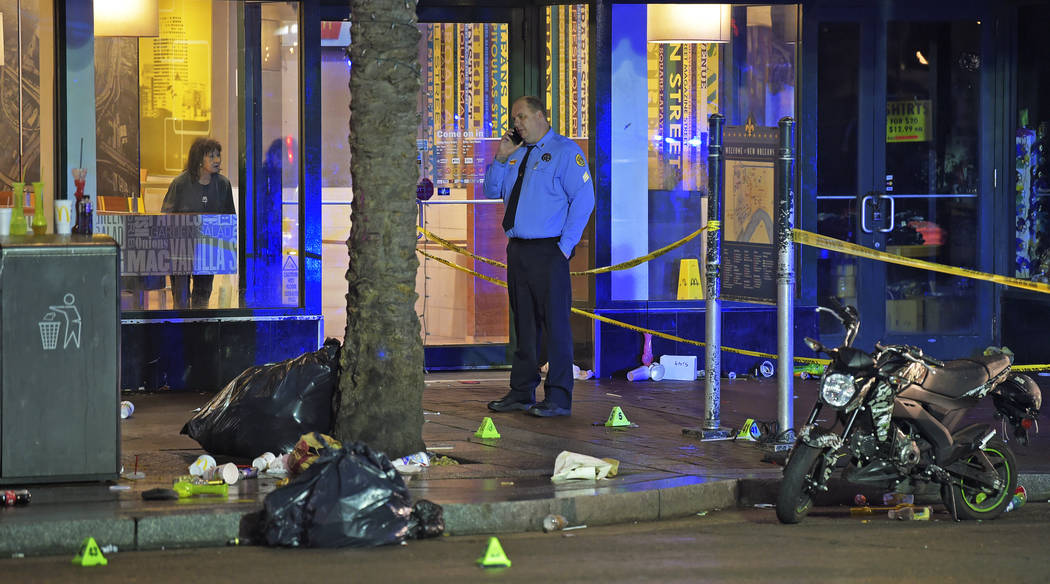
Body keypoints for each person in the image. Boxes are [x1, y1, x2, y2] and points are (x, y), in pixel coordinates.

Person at [482, 96, 595, 417]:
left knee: (556, 325)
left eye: (522, 117)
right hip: (519, 250)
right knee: (524, 325)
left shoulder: (565, 152)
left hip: (550, 249)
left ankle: (558, 397)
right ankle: (521, 391)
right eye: (514, 119)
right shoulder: (515, 154)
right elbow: (491, 191)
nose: (516, 123)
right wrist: (502, 158)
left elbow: (584, 201)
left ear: (541, 116)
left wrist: (565, 247)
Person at [161, 137, 236, 309]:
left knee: (202, 298)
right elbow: (166, 217)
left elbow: (229, 219)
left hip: (208, 249)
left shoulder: (223, 184)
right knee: (180, 300)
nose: (217, 160)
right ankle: (182, 332)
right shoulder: (179, 183)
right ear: (198, 159)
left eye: (218, 155)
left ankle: (199, 332)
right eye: (211, 156)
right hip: (181, 249)